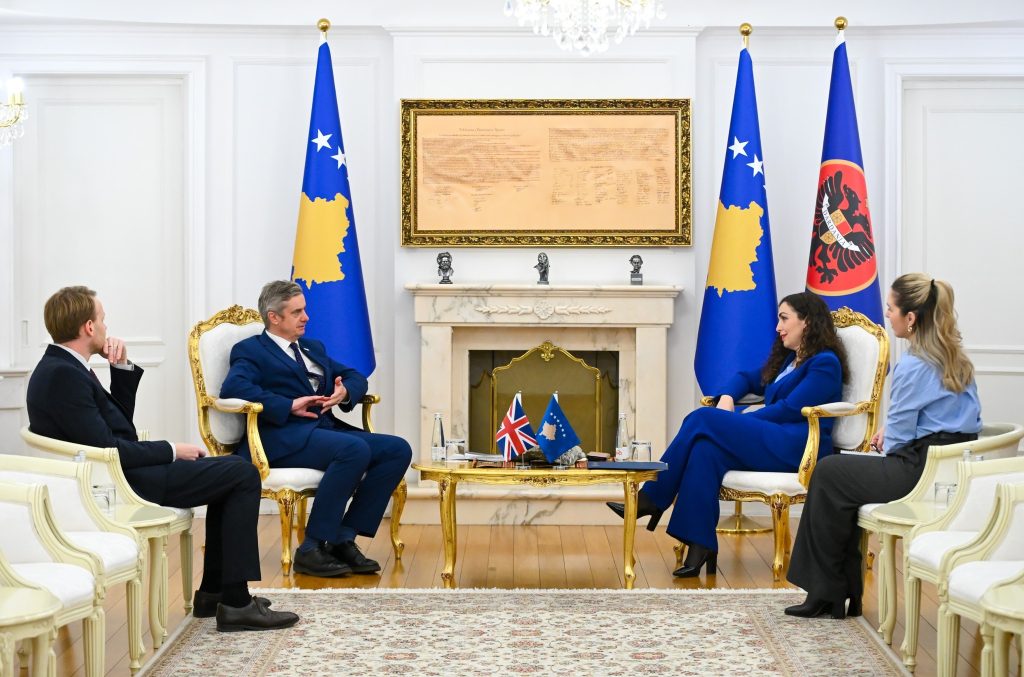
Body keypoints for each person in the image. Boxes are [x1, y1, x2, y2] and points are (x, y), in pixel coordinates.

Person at [26, 286, 298, 632]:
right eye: (103, 320)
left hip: (114, 474)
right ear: (89, 327)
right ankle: (236, 603)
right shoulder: (63, 375)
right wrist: (171, 449)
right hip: (120, 485)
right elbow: (111, 448)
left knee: (233, 472)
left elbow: (116, 430)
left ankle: (215, 594)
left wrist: (120, 368)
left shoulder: (62, 367)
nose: (107, 327)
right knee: (242, 474)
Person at [607, 292, 846, 577]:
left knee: (702, 418)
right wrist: (728, 397)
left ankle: (652, 497)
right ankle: (700, 543)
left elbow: (790, 409)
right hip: (772, 439)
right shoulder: (788, 361)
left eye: (784, 319)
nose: (778, 327)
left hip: (798, 446)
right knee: (704, 450)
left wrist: (735, 421)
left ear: (807, 322)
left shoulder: (825, 363)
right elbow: (745, 378)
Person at [786, 274, 981, 619]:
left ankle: (829, 593)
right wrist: (893, 432)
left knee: (829, 471)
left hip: (917, 472)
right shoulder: (958, 361)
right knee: (839, 478)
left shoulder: (913, 366)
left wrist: (890, 436)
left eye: (891, 309)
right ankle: (836, 593)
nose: (887, 315)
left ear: (911, 318)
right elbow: (958, 421)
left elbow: (899, 442)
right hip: (951, 470)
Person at [220, 280, 412, 578]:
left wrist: (344, 392)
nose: (306, 317)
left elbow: (354, 375)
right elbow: (234, 387)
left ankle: (342, 538)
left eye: (304, 310)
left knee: (397, 449)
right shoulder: (251, 350)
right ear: (274, 317)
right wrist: (288, 405)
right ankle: (311, 548)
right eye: (297, 312)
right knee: (354, 449)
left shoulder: (312, 347)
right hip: (282, 437)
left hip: (323, 430)